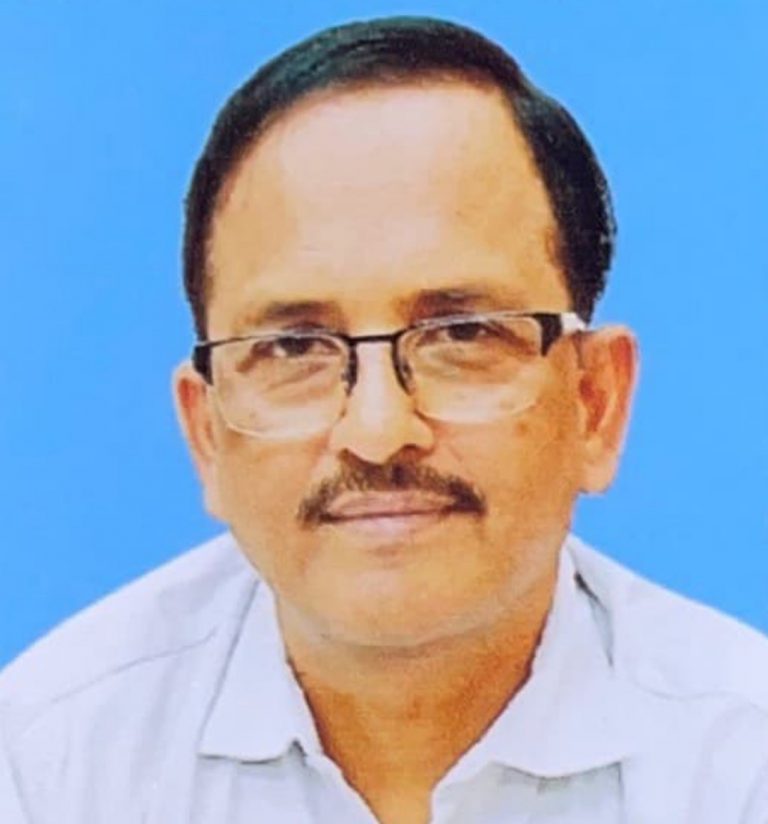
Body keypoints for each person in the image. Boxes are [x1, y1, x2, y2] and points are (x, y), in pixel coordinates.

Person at [1, 15, 766, 824]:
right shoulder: (49, 766)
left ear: (594, 403)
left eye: (461, 336)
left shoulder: (740, 765)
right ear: (207, 434)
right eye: (295, 348)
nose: (377, 430)